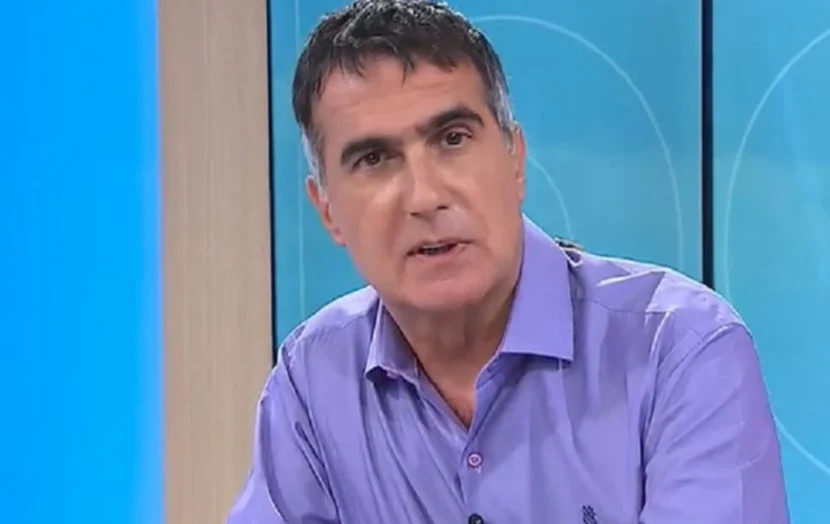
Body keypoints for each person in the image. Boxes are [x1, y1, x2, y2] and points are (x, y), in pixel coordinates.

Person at [228, 1, 789, 522]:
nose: (425, 196)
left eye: (452, 139)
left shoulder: (681, 349)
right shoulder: (312, 380)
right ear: (327, 209)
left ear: (516, 159)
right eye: (374, 159)